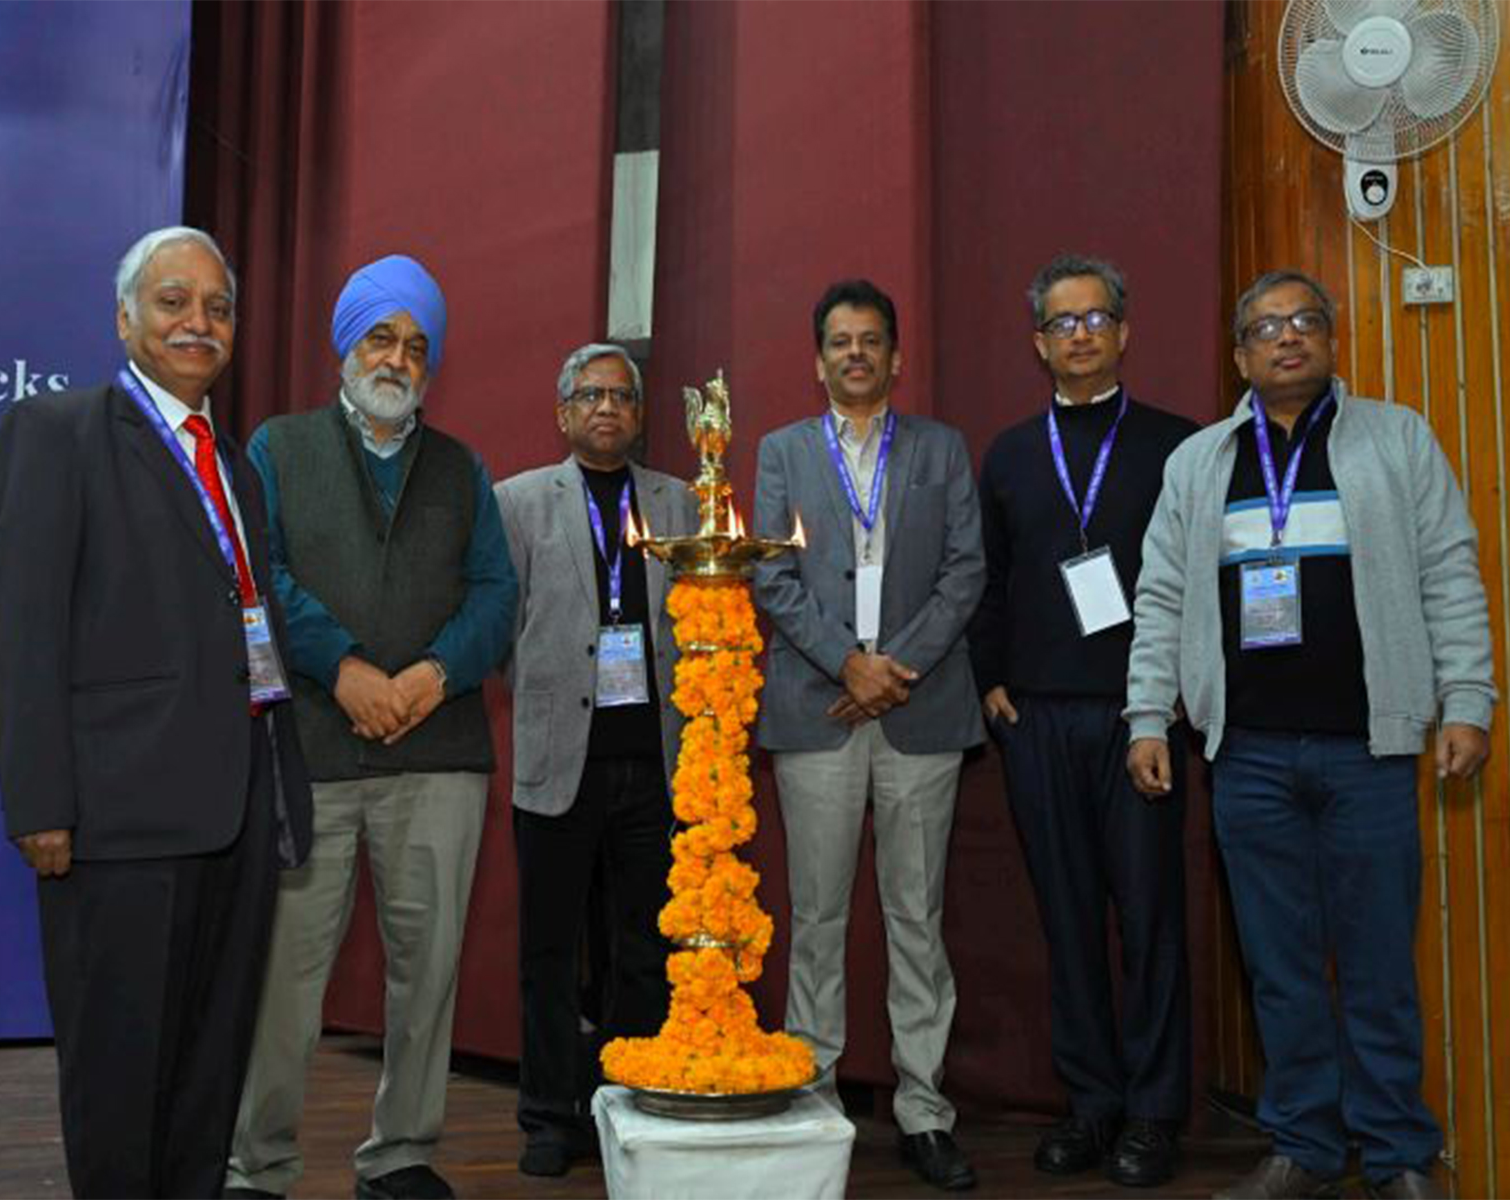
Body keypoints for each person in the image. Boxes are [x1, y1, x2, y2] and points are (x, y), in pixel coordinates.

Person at [1126, 270, 1495, 1200]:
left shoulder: (1397, 439)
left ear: (1330, 340)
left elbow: (1451, 572)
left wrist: (1468, 702)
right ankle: (1305, 1147)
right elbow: (1161, 598)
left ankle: (1401, 1154)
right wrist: (1147, 716)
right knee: (1280, 968)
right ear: (1239, 354)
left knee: (1377, 965)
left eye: (1304, 323)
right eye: (1265, 328)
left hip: (1368, 752)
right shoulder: (1200, 464)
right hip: (1245, 755)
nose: (1286, 338)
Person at [0, 226, 313, 1198]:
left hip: (237, 813)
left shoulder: (236, 463)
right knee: (119, 1081)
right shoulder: (57, 433)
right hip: (115, 822)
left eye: (217, 307)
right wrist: (41, 801)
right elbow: (22, 630)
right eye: (174, 302)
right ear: (124, 317)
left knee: (205, 1078)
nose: (197, 323)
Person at [225, 255, 517, 1200]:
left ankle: (400, 1156)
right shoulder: (279, 447)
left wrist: (431, 677)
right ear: (347, 347)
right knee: (284, 982)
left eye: (415, 345)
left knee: (425, 973)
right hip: (311, 745)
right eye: (381, 338)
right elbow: (261, 578)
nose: (397, 359)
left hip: (437, 755)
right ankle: (256, 1165)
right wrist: (345, 669)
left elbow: (497, 596)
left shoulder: (462, 467)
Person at [752, 279, 985, 1192]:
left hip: (919, 714)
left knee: (915, 919)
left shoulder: (940, 449)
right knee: (815, 917)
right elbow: (771, 576)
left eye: (871, 341)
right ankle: (814, 1096)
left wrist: (895, 669)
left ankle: (924, 1110)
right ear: (817, 361)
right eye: (840, 342)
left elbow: (966, 571)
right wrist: (848, 663)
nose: (856, 354)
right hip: (819, 709)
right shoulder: (780, 452)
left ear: (896, 357)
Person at [969, 254, 1197, 1187]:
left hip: (1141, 718)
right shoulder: (1013, 453)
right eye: (1061, 323)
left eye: (1096, 318)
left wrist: (1173, 696)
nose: (1079, 335)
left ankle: (1153, 1114)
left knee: (1149, 921)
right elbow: (988, 580)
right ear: (1038, 342)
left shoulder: (1179, 447)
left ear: (1124, 331)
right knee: (1066, 922)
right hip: (1040, 719)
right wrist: (991, 682)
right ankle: (1092, 1105)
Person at [494, 343, 699, 1177]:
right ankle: (550, 1114)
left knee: (643, 945)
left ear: (641, 414)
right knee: (550, 949)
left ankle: (631, 1098)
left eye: (620, 395)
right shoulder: (516, 502)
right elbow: (502, 626)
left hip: (654, 761)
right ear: (563, 413)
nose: (606, 407)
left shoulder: (680, 503)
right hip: (557, 760)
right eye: (589, 394)